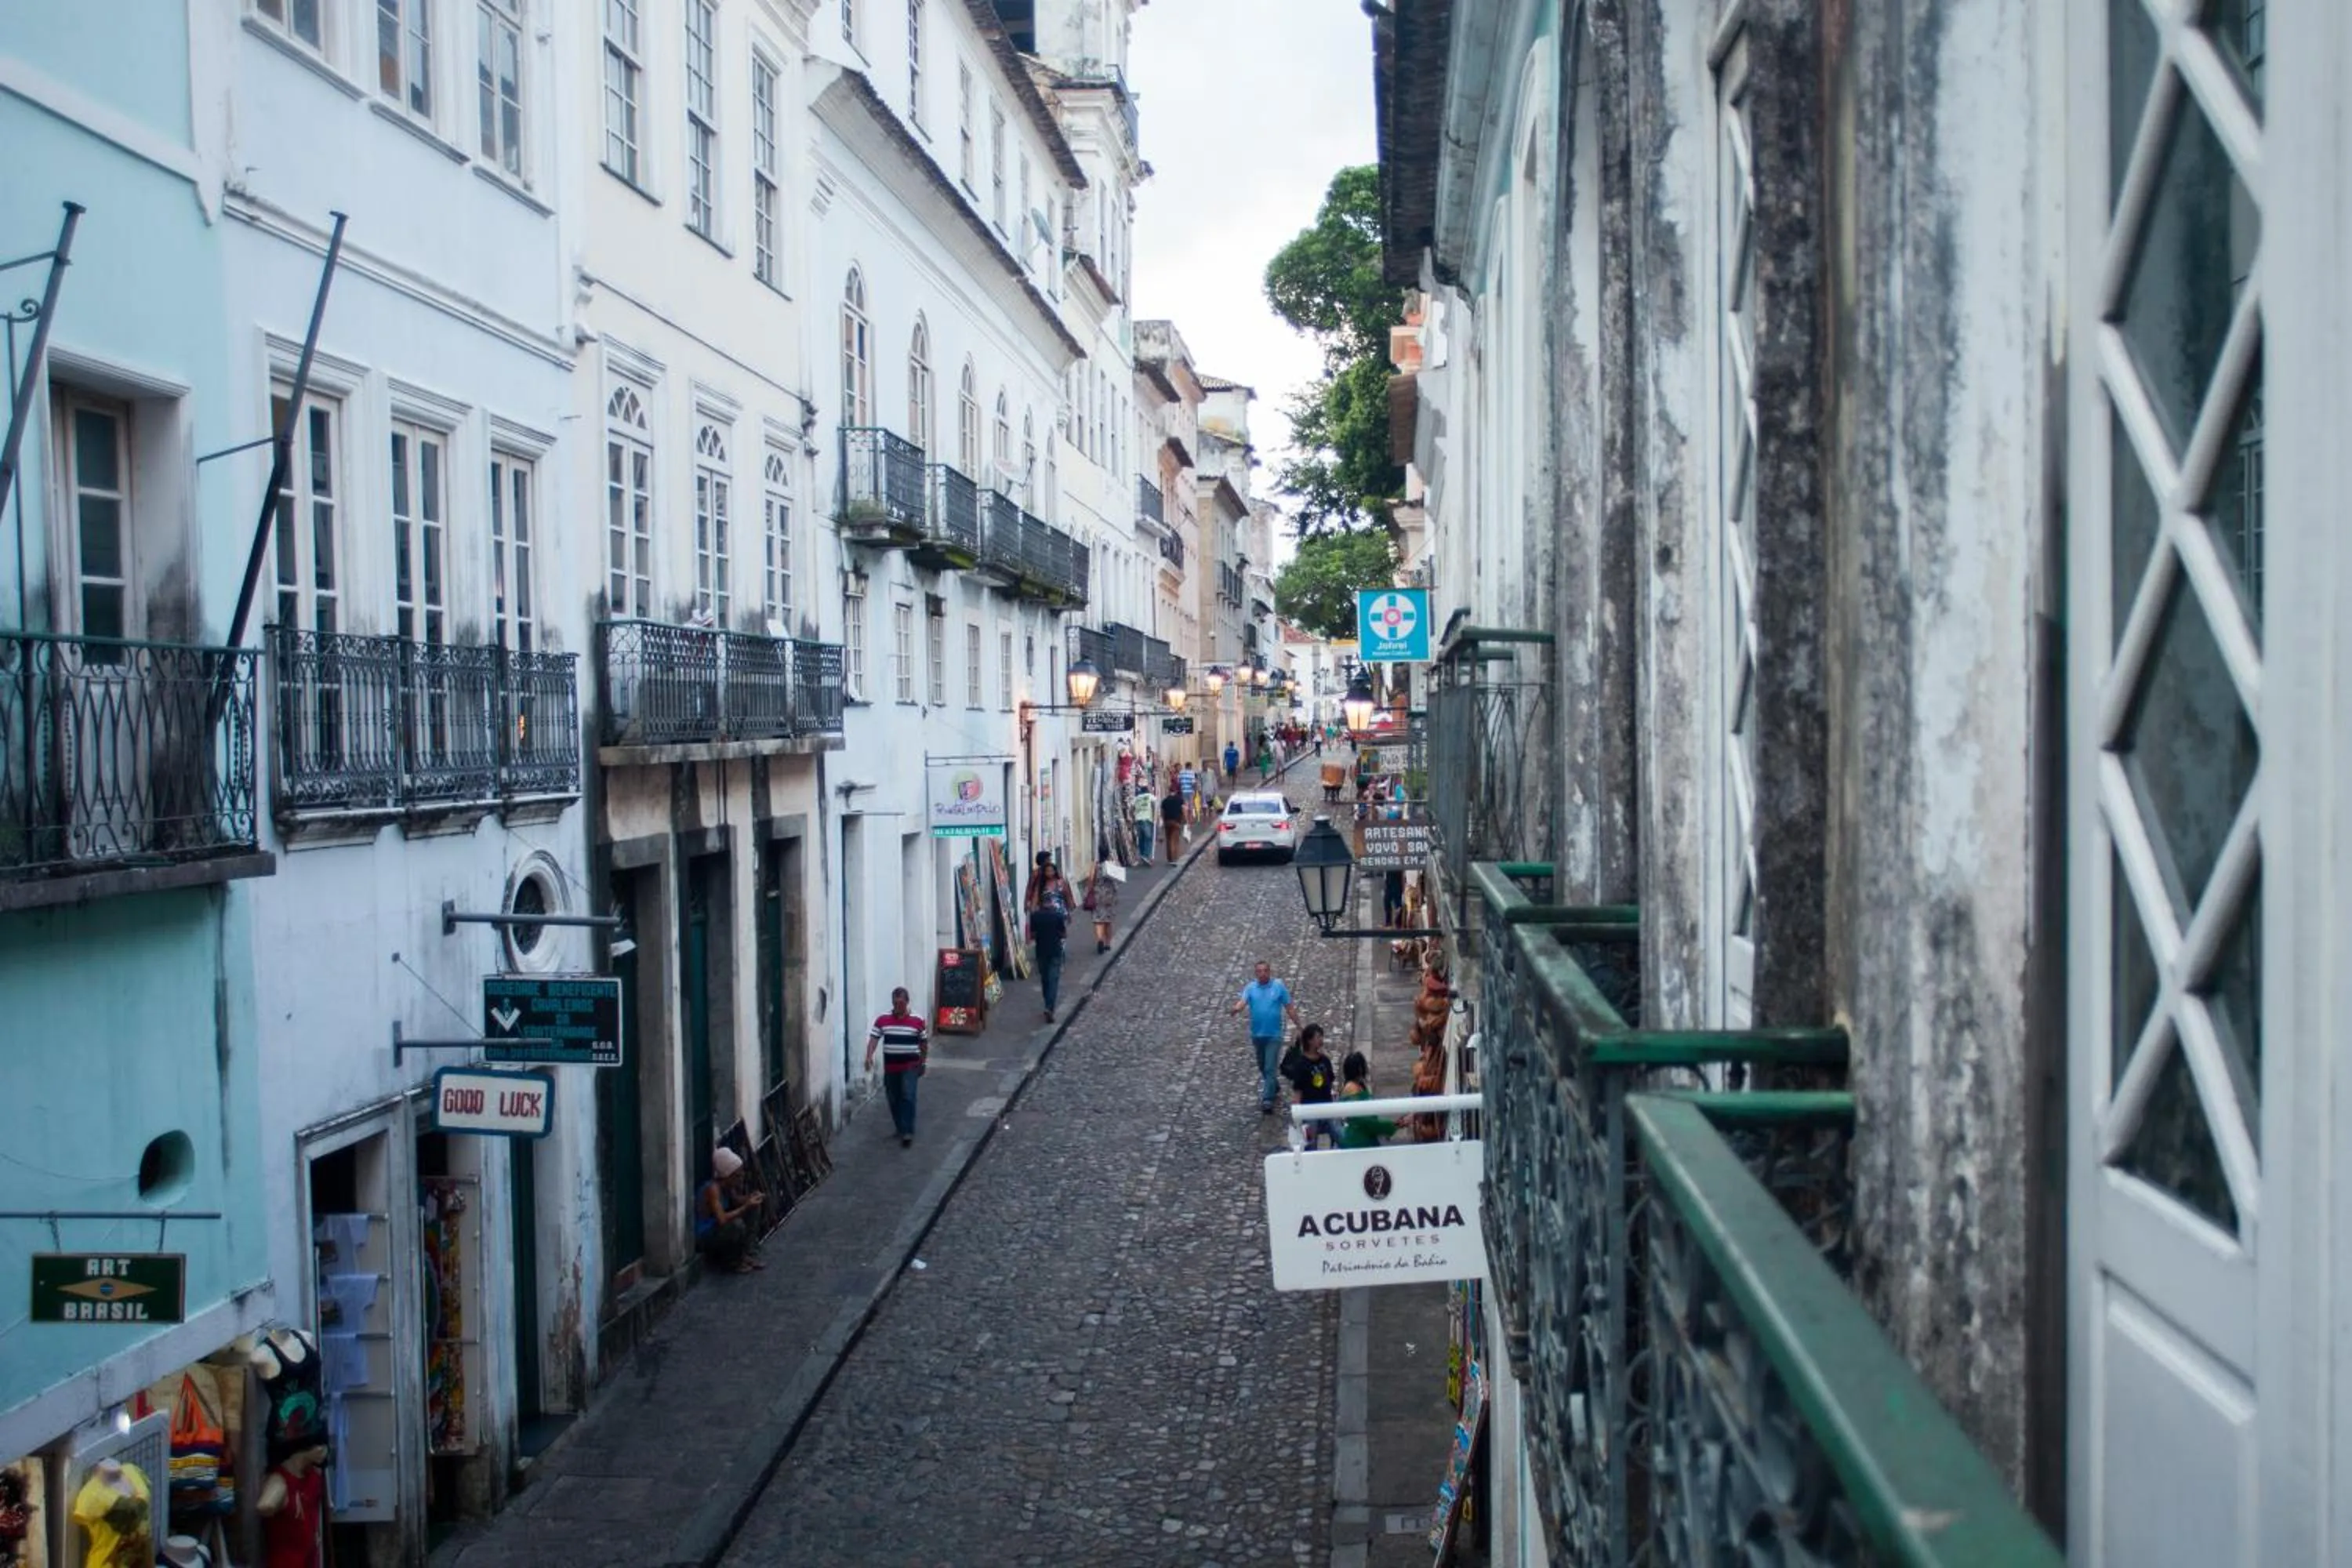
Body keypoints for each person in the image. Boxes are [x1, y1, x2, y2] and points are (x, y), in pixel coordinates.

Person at [1229, 959, 1301, 1114]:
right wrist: (1236, 1009)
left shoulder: (1278, 987)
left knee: (1269, 1066)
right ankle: (1273, 1085)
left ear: (1269, 972)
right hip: (1258, 1035)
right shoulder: (1251, 988)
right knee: (1262, 1066)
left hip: (1274, 1035)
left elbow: (1289, 1008)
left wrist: (1300, 1026)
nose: (1262, 974)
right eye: (1259, 971)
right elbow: (1243, 1002)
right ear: (1256, 974)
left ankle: (1267, 1099)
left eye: (1265, 971)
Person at [865, 987, 929, 1146]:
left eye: (901, 1003)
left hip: (910, 1065)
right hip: (891, 1067)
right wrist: (869, 1056)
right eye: (895, 1003)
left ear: (907, 1002)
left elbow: (923, 1043)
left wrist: (923, 1062)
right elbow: (874, 1038)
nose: (898, 1006)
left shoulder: (917, 1020)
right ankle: (900, 1127)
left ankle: (907, 1131)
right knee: (893, 1098)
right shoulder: (883, 1020)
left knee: (908, 1095)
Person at [694, 1146, 764, 1273]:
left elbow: (737, 1200)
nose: (741, 1178)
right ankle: (733, 1262)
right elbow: (722, 1219)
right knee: (737, 1225)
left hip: (718, 1229)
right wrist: (746, 1206)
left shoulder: (728, 1186)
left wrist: (751, 1199)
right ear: (727, 1175)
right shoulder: (713, 1189)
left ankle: (747, 1253)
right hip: (706, 1235)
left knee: (754, 1209)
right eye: (737, 1175)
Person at [1279, 1023, 1338, 1147]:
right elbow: (1298, 1090)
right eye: (1318, 1037)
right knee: (1310, 1143)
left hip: (1327, 1106)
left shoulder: (1325, 1061)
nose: (1321, 1040)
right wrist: (1297, 1112)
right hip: (1310, 1109)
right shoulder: (1301, 1064)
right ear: (1309, 1040)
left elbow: (1330, 1082)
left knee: (1339, 1135)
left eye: (1321, 1036)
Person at [1336, 1051, 1399, 1149]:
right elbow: (1363, 1120)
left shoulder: (1358, 1086)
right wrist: (1387, 1127)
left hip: (1365, 1137)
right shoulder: (1352, 1088)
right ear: (1360, 1069)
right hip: (1358, 1141)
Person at [1029, 883, 1070, 1022]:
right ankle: (1049, 1007)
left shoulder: (1035, 916)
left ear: (1041, 902)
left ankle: (1047, 1003)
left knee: (1045, 979)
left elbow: (1032, 936)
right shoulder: (1057, 916)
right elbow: (1064, 934)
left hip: (1041, 951)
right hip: (1055, 951)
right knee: (1054, 980)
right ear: (1051, 902)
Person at [1083, 858, 1119, 953]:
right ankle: (1108, 944)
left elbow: (1090, 880)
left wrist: (1086, 894)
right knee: (1108, 921)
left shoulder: (1095, 865)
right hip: (1109, 896)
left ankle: (1100, 940)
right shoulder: (1112, 864)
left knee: (1098, 920)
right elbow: (1117, 879)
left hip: (1097, 896)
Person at [1160, 783, 1185, 865]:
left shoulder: (1165, 801)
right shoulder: (1180, 800)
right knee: (1175, 841)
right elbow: (1183, 810)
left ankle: (1169, 858)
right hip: (1176, 822)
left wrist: (1163, 822)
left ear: (1169, 791)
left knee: (1168, 840)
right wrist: (1185, 820)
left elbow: (1162, 813)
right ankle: (1174, 859)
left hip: (1167, 822)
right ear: (1176, 791)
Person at [1131, 783, 1157, 862]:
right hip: (1147, 819)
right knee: (1148, 838)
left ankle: (1142, 854)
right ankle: (1146, 855)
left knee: (1141, 838)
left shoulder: (1137, 798)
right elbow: (1154, 804)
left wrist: (1133, 816)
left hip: (1138, 819)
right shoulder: (1150, 796)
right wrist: (1154, 817)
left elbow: (1132, 808)